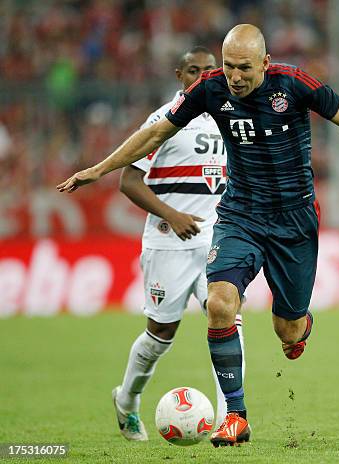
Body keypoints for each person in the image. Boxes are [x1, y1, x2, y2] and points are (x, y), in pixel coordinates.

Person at [57, 24, 339, 447]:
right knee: (221, 304)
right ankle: (236, 417)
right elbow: (154, 133)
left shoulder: (293, 83)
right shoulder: (209, 89)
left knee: (288, 330)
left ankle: (299, 325)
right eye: (228, 67)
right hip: (239, 214)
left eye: (244, 68)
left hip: (294, 221)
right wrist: (100, 168)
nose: (235, 77)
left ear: (264, 62)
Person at [110, 46, 245, 441]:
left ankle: (228, 418)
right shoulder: (163, 121)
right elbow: (127, 181)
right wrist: (172, 215)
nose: (203, 77)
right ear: (179, 75)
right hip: (168, 242)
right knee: (159, 335)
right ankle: (127, 400)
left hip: (219, 239)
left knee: (228, 319)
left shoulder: (231, 117)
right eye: (193, 71)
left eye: (209, 70)